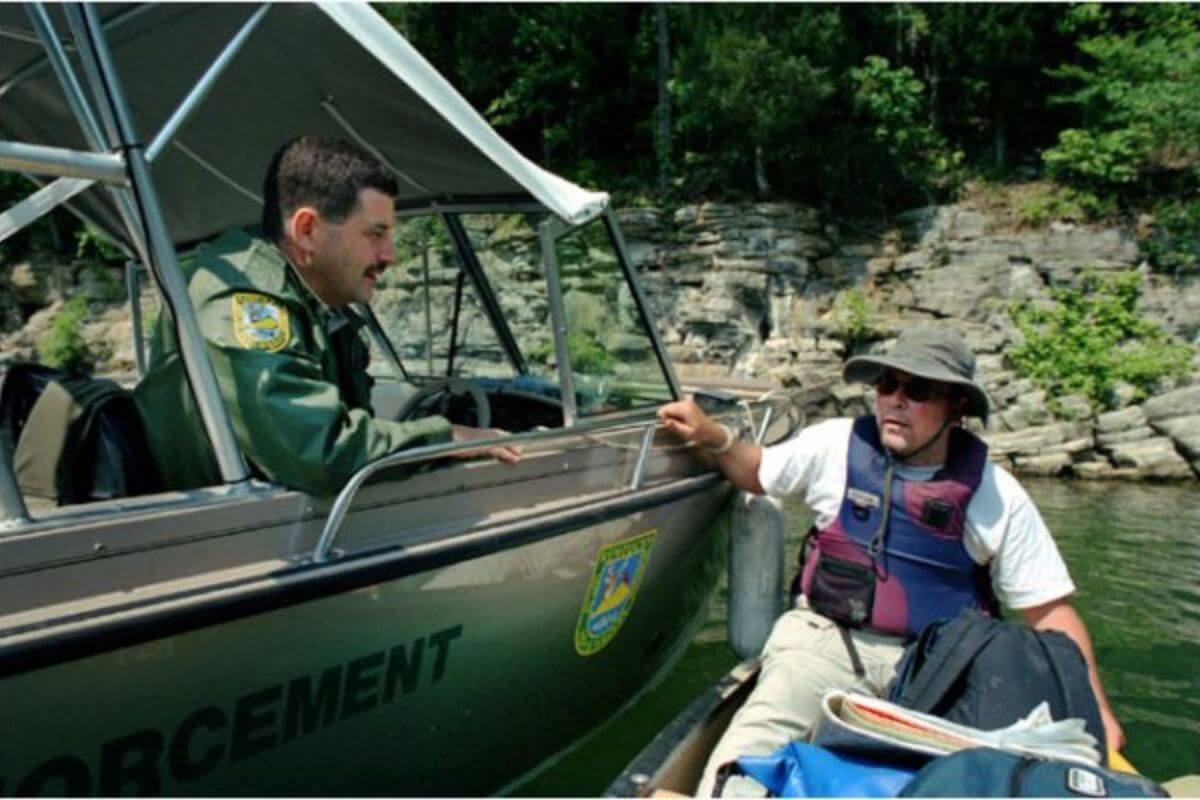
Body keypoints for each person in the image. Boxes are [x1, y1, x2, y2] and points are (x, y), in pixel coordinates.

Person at [657, 325, 1125, 796]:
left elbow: (1052, 614)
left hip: (940, 667)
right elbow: (756, 470)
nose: (896, 401)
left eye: (918, 390)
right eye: (887, 385)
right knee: (744, 762)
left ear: (955, 408)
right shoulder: (834, 446)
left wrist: (1096, 713)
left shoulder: (995, 494)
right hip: (825, 643)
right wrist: (713, 436)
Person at [135, 136, 518, 495]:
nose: (390, 255)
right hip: (216, 543)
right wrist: (444, 438)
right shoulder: (244, 297)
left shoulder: (319, 307)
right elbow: (317, 451)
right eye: (375, 233)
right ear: (306, 231)